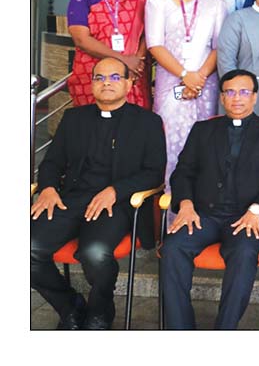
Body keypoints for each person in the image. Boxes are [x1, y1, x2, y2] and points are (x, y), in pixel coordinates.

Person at [31, 57, 166, 330]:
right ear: (92, 84)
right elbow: (52, 162)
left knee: (94, 253)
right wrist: (48, 187)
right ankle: (70, 306)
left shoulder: (148, 122)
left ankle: (100, 312)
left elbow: (154, 173)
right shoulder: (74, 119)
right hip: (70, 200)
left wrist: (115, 190)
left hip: (117, 205)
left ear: (129, 84)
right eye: (100, 78)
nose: (106, 83)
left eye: (115, 77)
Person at [160, 69, 259, 329]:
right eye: (230, 92)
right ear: (221, 98)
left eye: (244, 92)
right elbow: (183, 172)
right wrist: (185, 204)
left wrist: (257, 209)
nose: (237, 98)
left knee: (243, 253)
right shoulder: (203, 130)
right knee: (173, 248)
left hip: (247, 218)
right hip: (204, 216)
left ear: (254, 97)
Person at [146, 0, 228, 191]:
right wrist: (184, 75)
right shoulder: (158, 2)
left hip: (205, 83)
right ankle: (169, 205)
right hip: (171, 83)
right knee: (170, 142)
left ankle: (201, 205)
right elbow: (155, 45)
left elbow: (219, 46)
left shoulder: (216, 4)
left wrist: (198, 77)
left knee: (205, 144)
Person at [67, 0, 152, 108]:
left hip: (131, 75)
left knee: (132, 121)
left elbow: (149, 32)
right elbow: (81, 39)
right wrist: (124, 61)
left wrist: (138, 61)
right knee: (94, 121)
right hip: (93, 73)